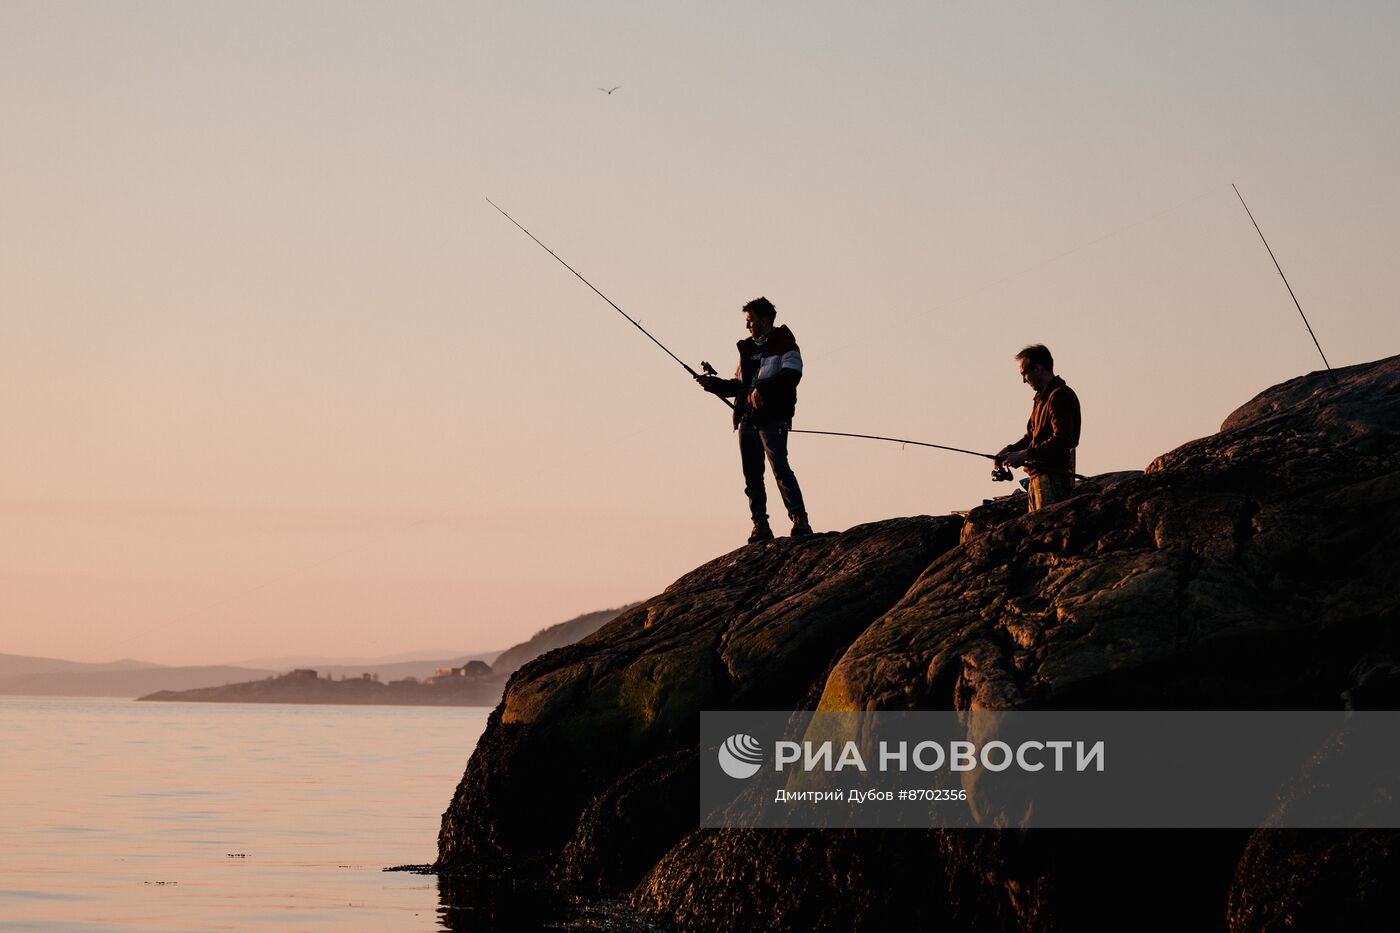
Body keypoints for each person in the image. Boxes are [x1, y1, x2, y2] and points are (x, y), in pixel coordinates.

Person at [696, 297, 812, 543]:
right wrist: (713, 385)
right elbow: (738, 386)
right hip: (747, 419)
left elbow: (793, 375)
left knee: (780, 468)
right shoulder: (747, 350)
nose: (748, 326)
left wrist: (763, 390)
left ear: (765, 319)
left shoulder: (787, 345)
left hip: (774, 418)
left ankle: (799, 519)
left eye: (751, 321)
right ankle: (760, 525)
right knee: (752, 474)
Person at [994, 344, 1081, 512]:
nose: (1024, 380)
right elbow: (1032, 436)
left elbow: (1063, 440)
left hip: (1054, 477)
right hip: (1038, 478)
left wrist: (1026, 454)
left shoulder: (1060, 396)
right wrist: (1009, 450)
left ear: (1038, 368)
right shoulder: (1042, 399)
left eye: (1024, 374)